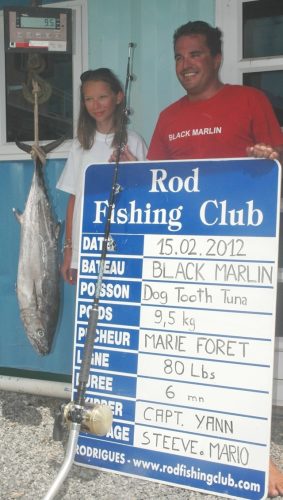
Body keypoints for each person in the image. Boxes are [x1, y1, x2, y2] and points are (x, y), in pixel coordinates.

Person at [147, 20, 283, 498]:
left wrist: (271, 157)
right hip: (185, 254)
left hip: (244, 255)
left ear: (217, 58)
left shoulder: (251, 102)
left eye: (196, 55)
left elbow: (279, 160)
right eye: (180, 56)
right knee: (192, 350)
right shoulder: (167, 118)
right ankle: (197, 438)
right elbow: (155, 186)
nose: (186, 64)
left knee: (244, 353)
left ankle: (256, 451)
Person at [57, 68, 147, 284]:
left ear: (118, 97)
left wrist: (134, 171)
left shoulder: (134, 142)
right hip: (85, 247)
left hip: (125, 244)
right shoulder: (80, 145)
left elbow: (147, 198)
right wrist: (69, 249)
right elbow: (74, 199)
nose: (95, 105)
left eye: (102, 97)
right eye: (89, 99)